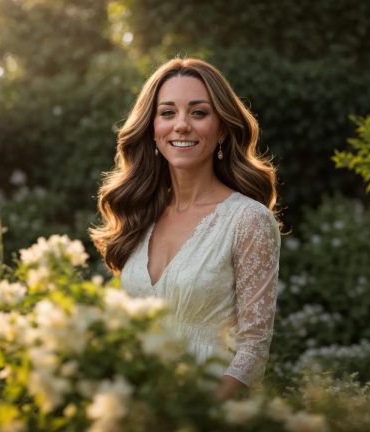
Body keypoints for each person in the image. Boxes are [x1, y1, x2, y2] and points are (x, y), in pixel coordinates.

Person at [90, 58, 280, 400]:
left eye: (198, 112)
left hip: (207, 409)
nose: (181, 125)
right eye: (167, 113)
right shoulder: (139, 217)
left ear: (221, 128)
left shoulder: (247, 220)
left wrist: (199, 418)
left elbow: (253, 350)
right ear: (151, 128)